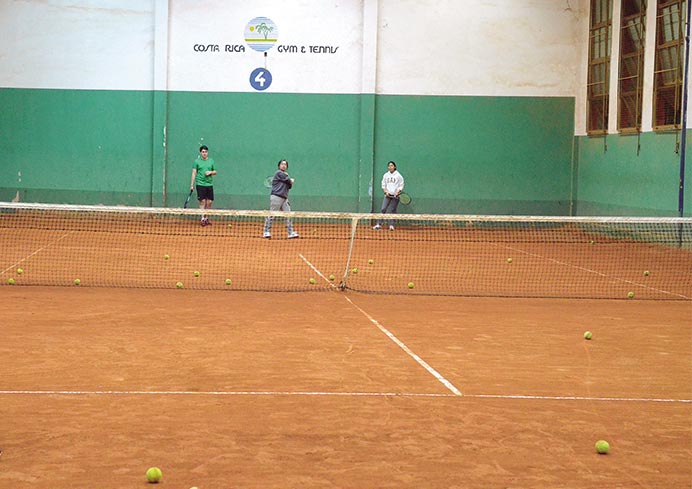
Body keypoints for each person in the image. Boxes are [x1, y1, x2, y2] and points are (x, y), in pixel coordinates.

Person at [263, 159, 299, 239]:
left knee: (288, 215)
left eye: (285, 164)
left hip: (284, 198)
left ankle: (290, 233)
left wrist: (289, 180)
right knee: (272, 214)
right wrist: (290, 180)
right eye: (282, 164)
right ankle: (266, 231)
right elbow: (289, 181)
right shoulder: (278, 173)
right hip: (276, 197)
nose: (284, 165)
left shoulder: (285, 175)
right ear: (279, 166)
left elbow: (289, 186)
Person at [190, 145, 217, 226]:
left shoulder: (211, 161)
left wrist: (210, 172)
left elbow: (215, 171)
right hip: (200, 184)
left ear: (207, 153)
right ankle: (202, 218)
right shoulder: (196, 162)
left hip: (209, 184)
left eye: (206, 152)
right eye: (203, 152)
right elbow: (194, 173)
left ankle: (206, 217)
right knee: (202, 201)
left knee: (209, 202)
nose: (204, 153)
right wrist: (191, 185)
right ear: (200, 153)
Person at [373, 161, 404, 231]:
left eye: (392, 166)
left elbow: (401, 185)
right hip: (387, 195)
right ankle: (379, 224)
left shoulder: (398, 175)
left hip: (395, 196)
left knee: (392, 210)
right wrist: (385, 191)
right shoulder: (385, 175)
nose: (390, 167)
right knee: (383, 209)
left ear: (395, 167)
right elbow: (383, 184)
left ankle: (391, 225)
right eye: (389, 166)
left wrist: (397, 192)